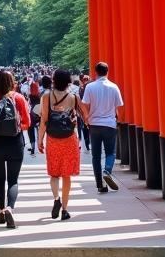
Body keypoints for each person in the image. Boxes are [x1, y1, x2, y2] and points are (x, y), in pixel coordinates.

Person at [0, 69, 31, 228]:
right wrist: (16, 127)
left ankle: (1, 211)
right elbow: (27, 123)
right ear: (12, 82)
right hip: (15, 142)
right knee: (13, 180)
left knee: (0, 179)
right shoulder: (19, 98)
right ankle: (10, 207)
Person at [39, 68, 81, 221]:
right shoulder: (74, 97)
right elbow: (83, 116)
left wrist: (39, 139)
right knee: (66, 175)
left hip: (53, 138)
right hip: (69, 138)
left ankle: (56, 198)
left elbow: (44, 120)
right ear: (69, 81)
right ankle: (64, 209)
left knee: (54, 173)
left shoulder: (46, 96)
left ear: (54, 80)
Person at [80, 61, 124, 194]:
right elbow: (119, 106)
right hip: (109, 123)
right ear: (107, 71)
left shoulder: (90, 87)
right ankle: (107, 170)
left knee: (96, 156)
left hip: (94, 124)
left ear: (95, 72)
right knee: (111, 152)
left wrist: (87, 117)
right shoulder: (114, 87)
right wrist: (118, 120)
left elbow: (83, 104)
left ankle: (100, 185)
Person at [76, 73, 91, 151]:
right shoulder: (89, 88)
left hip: (83, 111)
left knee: (84, 128)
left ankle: (87, 143)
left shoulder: (81, 88)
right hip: (89, 111)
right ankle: (88, 143)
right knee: (87, 128)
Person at [26, 79, 40, 156]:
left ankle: (33, 148)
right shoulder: (39, 95)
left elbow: (28, 104)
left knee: (30, 131)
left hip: (31, 114)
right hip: (39, 113)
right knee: (39, 130)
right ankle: (40, 145)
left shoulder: (30, 95)